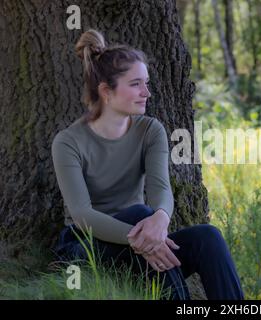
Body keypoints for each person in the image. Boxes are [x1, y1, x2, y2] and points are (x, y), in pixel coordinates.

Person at [51, 29, 244, 300]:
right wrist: (142, 238)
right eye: (136, 84)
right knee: (140, 213)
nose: (147, 93)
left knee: (207, 238)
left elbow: (160, 190)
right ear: (106, 91)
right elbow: (83, 215)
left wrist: (160, 220)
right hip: (86, 248)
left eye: (146, 83)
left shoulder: (151, 130)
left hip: (140, 240)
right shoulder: (68, 142)